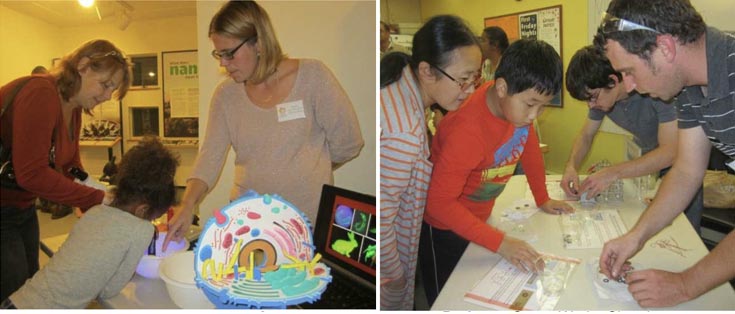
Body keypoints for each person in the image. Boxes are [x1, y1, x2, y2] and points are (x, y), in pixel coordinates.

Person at [164, 1, 363, 250]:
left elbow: (349, 143)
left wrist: (309, 166)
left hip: (308, 224)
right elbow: (209, 157)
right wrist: (188, 204)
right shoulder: (226, 95)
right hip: (248, 226)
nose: (223, 64)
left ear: (258, 43)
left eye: (229, 53)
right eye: (219, 54)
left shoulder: (313, 77)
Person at [594, 0, 735, 307]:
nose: (629, 87)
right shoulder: (687, 87)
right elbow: (686, 170)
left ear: (666, 48)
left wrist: (685, 284)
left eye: (629, 71)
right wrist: (636, 236)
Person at [420, 39, 574, 306]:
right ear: (502, 88)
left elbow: (529, 148)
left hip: (480, 220)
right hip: (444, 230)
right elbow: (438, 203)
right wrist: (501, 243)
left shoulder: (515, 111)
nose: (534, 115)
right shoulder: (467, 130)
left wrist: (542, 198)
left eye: (542, 106)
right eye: (530, 104)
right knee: (448, 301)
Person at [0, 39, 129, 302]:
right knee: (12, 294)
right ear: (82, 66)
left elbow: (70, 164)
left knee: (28, 285)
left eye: (112, 90)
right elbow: (32, 173)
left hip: (21, 207)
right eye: (105, 85)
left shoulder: (75, 106)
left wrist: (100, 189)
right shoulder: (41, 92)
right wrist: (95, 198)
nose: (106, 96)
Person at [3, 137, 179, 309]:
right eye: (152, 216)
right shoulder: (143, 230)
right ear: (142, 210)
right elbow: (108, 291)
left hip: (18, 301)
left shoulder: (94, 212)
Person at [379, 15, 481, 310]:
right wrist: (396, 277)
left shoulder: (402, 85)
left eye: (474, 78)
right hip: (390, 266)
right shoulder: (404, 132)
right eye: (463, 79)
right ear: (426, 71)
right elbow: (384, 218)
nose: (470, 89)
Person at [561, 45, 704, 233]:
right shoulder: (601, 101)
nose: (591, 105)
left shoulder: (655, 89)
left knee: (683, 233)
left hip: (683, 167)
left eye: (593, 98)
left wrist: (612, 172)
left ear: (612, 81)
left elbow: (670, 152)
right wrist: (571, 166)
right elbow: (586, 135)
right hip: (646, 164)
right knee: (646, 228)